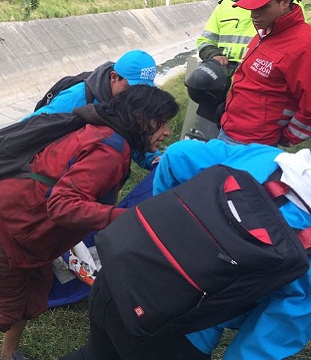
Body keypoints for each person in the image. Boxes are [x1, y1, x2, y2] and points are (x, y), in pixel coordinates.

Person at [0, 85, 179, 360]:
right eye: (161, 123)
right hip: (4, 227)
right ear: (140, 118)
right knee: (3, 311)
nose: (167, 131)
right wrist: (128, 219)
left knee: (33, 297)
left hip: (29, 229)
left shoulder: (109, 133)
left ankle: (9, 356)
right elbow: (63, 204)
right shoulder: (108, 151)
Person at [60, 139, 311, 360]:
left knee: (93, 354)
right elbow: (272, 335)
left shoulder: (268, 159)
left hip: (120, 274)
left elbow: (177, 155)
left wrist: (157, 235)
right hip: (176, 333)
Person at [26, 49, 159, 170]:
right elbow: (29, 127)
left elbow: (133, 135)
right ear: (114, 77)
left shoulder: (131, 101)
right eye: (132, 88)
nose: (137, 94)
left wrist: (153, 159)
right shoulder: (77, 97)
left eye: (144, 89)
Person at [217, 0, 311, 147]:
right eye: (250, 8)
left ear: (284, 2)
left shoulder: (303, 45)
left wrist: (288, 137)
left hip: (254, 144)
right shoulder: (265, 32)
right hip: (229, 129)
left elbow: (309, 105)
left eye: (261, 7)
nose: (254, 15)